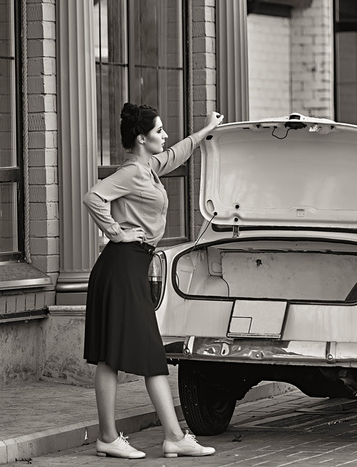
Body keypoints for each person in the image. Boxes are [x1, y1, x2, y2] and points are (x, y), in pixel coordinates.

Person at [83, 103, 224, 459]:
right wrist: (116, 233)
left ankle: (111, 437)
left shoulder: (150, 167)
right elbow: (93, 196)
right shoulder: (133, 171)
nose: (165, 136)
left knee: (111, 357)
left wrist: (205, 131)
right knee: (143, 353)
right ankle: (168, 436)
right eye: (159, 131)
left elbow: (177, 154)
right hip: (122, 266)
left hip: (128, 268)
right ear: (142, 138)